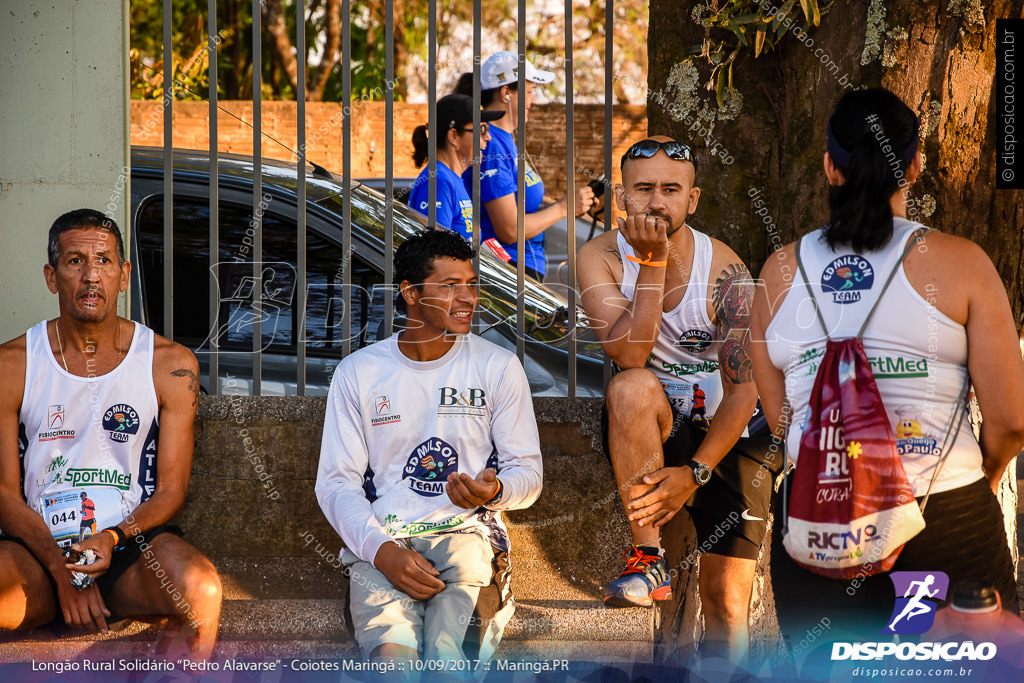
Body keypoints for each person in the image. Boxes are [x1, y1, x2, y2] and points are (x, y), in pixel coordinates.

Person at [750, 87, 1024, 646]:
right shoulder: (963, 264)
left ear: (830, 167)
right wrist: (978, 483)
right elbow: (1013, 419)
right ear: (915, 166)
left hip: (820, 523)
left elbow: (784, 424)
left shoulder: (778, 273)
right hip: (942, 514)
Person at [577, 136, 775, 662]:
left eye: (671, 189)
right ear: (622, 198)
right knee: (629, 385)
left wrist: (697, 472)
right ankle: (648, 557)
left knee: (725, 601)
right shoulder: (598, 257)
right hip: (655, 421)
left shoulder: (725, 270)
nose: (656, 202)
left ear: (693, 198)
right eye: (643, 189)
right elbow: (632, 355)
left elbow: (745, 391)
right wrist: (652, 263)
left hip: (731, 433)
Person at [0, 209, 222, 659]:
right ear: (51, 275)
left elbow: (172, 490)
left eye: (102, 261)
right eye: (74, 261)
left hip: (127, 548)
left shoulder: (169, 364)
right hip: (36, 554)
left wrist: (112, 538)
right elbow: (5, 495)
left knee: (201, 590)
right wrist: (64, 572)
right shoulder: (12, 364)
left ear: (123, 275)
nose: (90, 276)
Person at [315, 228, 542, 663]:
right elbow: (337, 484)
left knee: (445, 659)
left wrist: (494, 492)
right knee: (391, 661)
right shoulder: (359, 373)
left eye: (472, 285)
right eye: (450, 286)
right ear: (411, 293)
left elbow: (527, 475)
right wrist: (381, 552)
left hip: (469, 540)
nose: (468, 299)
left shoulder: (497, 366)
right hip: (386, 543)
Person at [454, 51, 595, 280]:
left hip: (521, 267)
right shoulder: (491, 144)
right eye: (529, 92)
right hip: (508, 269)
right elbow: (509, 230)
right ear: (506, 93)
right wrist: (564, 208)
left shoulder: (503, 140)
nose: (534, 100)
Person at [408, 94, 504, 240]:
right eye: (482, 129)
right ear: (453, 136)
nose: (488, 137)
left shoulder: (451, 179)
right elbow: (436, 256)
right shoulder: (439, 182)